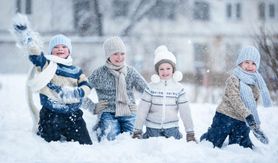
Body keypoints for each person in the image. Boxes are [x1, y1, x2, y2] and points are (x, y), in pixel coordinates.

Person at [12, 14, 92, 145]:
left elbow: (86, 86)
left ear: (69, 51)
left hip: (73, 114)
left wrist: (77, 93)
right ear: (51, 51)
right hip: (51, 113)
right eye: (56, 47)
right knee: (46, 144)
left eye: (64, 46)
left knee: (85, 143)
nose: (60, 48)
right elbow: (36, 54)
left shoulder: (76, 70)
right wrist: (27, 38)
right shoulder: (47, 65)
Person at [200, 46, 272, 149]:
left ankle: (243, 141)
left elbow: (253, 104)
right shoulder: (233, 79)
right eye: (246, 62)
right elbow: (235, 99)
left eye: (253, 63)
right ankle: (209, 136)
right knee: (213, 142)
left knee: (241, 146)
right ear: (240, 63)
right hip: (225, 116)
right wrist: (247, 115)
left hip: (242, 120)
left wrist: (253, 123)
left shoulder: (255, 82)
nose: (249, 66)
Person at [87, 36, 147, 141]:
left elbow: (148, 91)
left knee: (134, 138)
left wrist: (140, 108)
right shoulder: (99, 73)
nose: (119, 57)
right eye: (115, 54)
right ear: (108, 55)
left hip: (128, 111)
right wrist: (93, 107)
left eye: (122, 53)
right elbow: (80, 93)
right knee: (110, 137)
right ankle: (102, 129)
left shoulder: (130, 72)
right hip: (107, 112)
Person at [132, 45, 196, 142]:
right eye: (161, 69)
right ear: (157, 71)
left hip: (172, 129)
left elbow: (185, 111)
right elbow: (142, 109)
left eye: (168, 68)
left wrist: (190, 132)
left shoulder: (178, 89)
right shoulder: (151, 87)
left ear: (173, 69)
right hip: (152, 129)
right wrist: (137, 130)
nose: (165, 72)